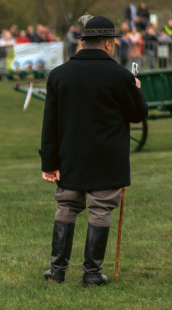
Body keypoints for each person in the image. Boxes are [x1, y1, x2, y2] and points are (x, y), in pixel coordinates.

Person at [39, 15, 148, 287]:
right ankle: (91, 273)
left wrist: (49, 163)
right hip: (108, 156)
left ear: (84, 42)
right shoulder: (121, 76)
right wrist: (136, 89)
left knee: (66, 206)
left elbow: (49, 124)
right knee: (101, 209)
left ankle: (57, 271)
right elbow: (137, 115)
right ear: (109, 44)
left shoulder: (59, 74)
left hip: (68, 156)